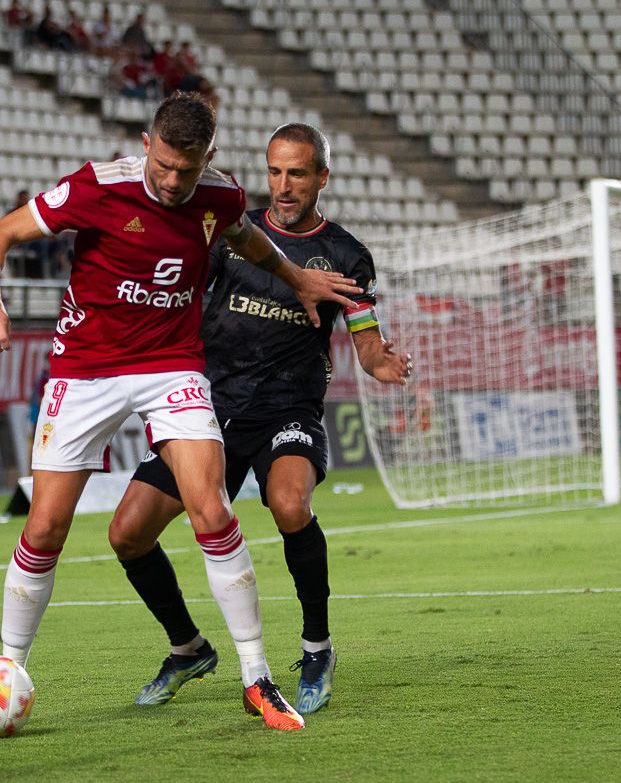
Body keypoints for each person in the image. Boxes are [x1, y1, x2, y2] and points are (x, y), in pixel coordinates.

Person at [0, 92, 362, 731]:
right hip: (84, 370)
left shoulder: (220, 194)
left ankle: (257, 678)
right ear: (147, 144)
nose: (175, 183)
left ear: (207, 157)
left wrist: (296, 278)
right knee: (44, 530)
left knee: (211, 508)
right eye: (165, 167)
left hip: (170, 365)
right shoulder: (97, 188)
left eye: (189, 169)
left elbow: (247, 239)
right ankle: (9, 670)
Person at [108, 124, 413, 715]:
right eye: (275, 171)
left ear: (322, 177)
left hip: (287, 407)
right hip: (210, 407)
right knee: (127, 534)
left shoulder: (346, 255)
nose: (283, 186)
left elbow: (365, 342)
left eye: (297, 173)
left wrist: (383, 363)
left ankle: (317, 647)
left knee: (291, 505)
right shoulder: (232, 233)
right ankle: (188, 647)